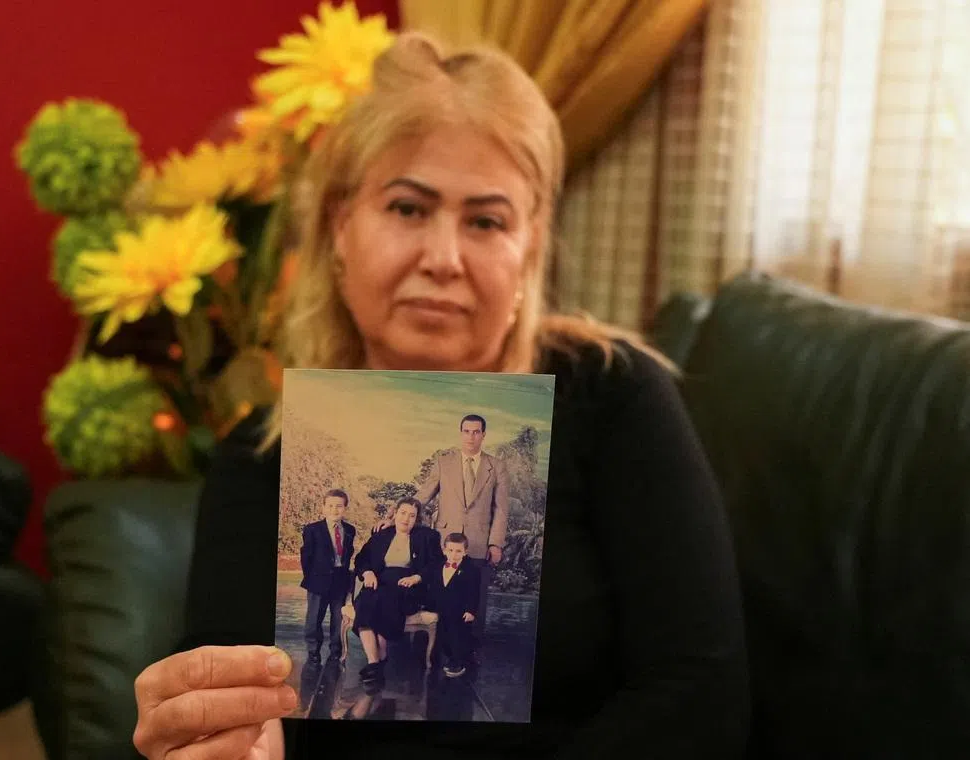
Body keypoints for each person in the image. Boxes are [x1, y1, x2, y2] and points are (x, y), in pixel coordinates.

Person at [132, 30, 749, 760]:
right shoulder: (262, 456)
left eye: (486, 221)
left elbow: (700, 696)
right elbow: (230, 715)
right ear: (340, 227)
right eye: (407, 209)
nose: (443, 259)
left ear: (529, 246)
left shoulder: (612, 396)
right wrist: (210, 734)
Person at [416, 413, 508, 645]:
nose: (471, 436)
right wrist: (394, 515)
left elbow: (501, 508)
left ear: (483, 435)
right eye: (466, 431)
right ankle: (435, 647)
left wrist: (495, 542)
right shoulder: (443, 462)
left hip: (478, 543)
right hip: (445, 542)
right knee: (439, 594)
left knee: (474, 599)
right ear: (461, 433)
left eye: (476, 431)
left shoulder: (496, 466)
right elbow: (423, 496)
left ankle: (469, 651)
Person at [347, 497, 442, 684]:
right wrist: (367, 573)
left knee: (386, 600)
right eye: (403, 513)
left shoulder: (427, 537)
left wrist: (417, 577)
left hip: (408, 585)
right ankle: (375, 662)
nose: (406, 519)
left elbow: (436, 563)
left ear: (417, 519)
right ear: (395, 513)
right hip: (378, 581)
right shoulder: (381, 534)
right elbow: (361, 559)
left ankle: (377, 664)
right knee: (366, 601)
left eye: (412, 515)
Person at [299, 488, 356, 663]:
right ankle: (313, 649)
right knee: (314, 617)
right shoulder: (312, 530)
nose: (334, 510)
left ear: (345, 508)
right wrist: (312, 577)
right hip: (318, 579)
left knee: (338, 617)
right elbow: (306, 556)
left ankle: (336, 649)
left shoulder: (349, 530)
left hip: (340, 578)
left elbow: (348, 553)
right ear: (323, 508)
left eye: (339, 506)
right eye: (330, 506)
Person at [426, 532, 481, 678]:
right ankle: (439, 658)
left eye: (458, 551)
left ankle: (458, 661)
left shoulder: (471, 570)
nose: (454, 554)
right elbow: (433, 588)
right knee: (441, 635)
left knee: (457, 636)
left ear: (465, 552)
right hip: (440, 608)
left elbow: (474, 592)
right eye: (450, 550)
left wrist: (470, 610)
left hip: (459, 611)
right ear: (444, 550)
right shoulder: (437, 566)